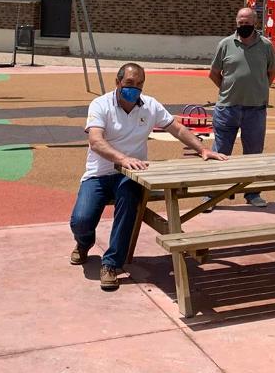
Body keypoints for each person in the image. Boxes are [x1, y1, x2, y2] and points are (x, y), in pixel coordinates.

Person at [70, 62, 226, 291]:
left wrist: (202, 149)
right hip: (99, 174)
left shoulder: (150, 105)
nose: (135, 88)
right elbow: (95, 141)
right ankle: (84, 243)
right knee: (81, 221)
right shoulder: (101, 104)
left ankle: (112, 264)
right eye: (130, 83)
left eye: (139, 84)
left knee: (129, 203)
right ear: (118, 83)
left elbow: (177, 128)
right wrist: (122, 159)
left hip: (132, 175)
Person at [207, 7, 275, 208]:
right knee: (219, 151)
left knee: (253, 154)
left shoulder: (266, 46)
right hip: (227, 108)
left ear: (255, 22)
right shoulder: (225, 44)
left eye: (247, 23)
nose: (243, 26)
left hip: (255, 109)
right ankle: (212, 194)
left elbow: (270, 72)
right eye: (240, 23)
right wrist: (228, 89)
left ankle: (252, 194)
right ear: (236, 22)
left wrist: (259, 89)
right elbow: (214, 73)